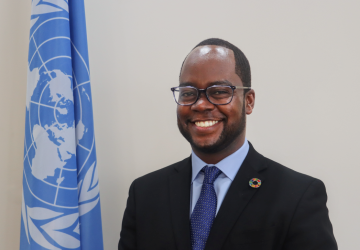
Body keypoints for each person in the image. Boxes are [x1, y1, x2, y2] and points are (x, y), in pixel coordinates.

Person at [118, 38, 337, 250]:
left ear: (248, 101)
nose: (201, 104)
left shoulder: (298, 196)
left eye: (219, 92)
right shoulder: (145, 193)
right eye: (188, 93)